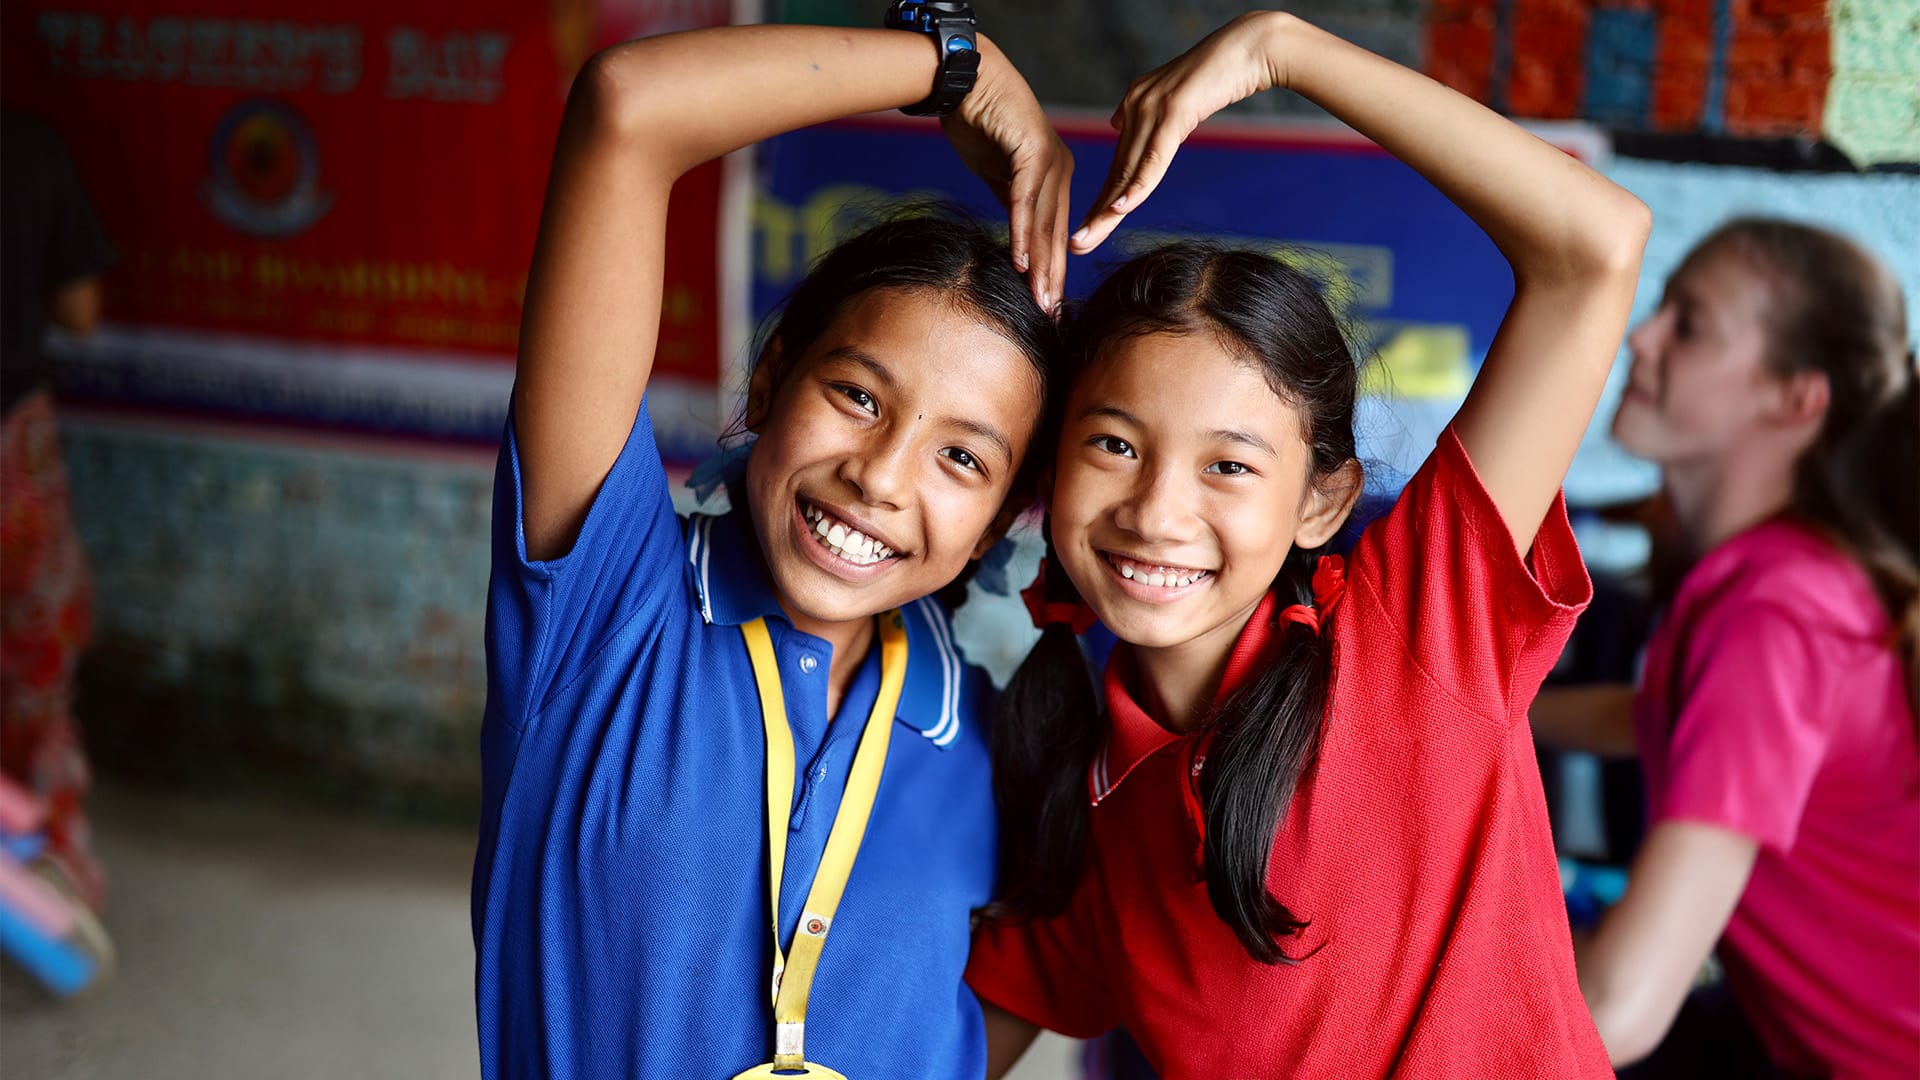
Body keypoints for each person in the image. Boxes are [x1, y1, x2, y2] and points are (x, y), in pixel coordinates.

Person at [966, 12, 1649, 1077]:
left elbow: (1594, 246)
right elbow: (961, 1044)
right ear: (1050, 472)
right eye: (1114, 445)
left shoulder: (1410, 633)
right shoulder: (1087, 790)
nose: (1157, 510)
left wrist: (1281, 49)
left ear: (1323, 503)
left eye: (1229, 466)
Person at [470, 18, 1074, 1080]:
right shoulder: (605, 606)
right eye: (858, 397)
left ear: (1003, 515)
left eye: (962, 459)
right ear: (769, 381)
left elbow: (1028, 987)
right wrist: (952, 65)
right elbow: (628, 110)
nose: (882, 478)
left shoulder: (987, 734)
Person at [1532, 219, 1919, 1077]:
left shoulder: (1776, 618)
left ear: (1796, 398)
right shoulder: (1781, 576)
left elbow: (1614, 1013)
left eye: (1690, 325)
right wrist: (1484, 712)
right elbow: (1661, 718)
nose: (1642, 337)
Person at [0, 109, 115, 941]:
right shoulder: (28, 148)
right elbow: (80, 311)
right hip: (11, 449)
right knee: (36, 666)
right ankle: (49, 867)